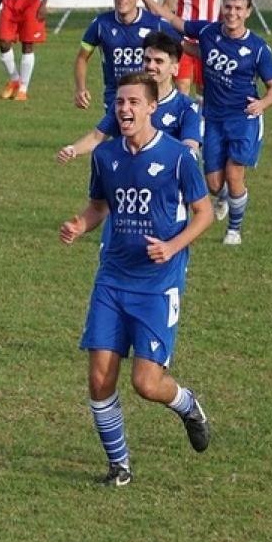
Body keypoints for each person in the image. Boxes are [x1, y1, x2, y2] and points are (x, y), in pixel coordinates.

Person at [59, 74, 213, 486]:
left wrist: (173, 246)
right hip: (111, 279)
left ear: (150, 109)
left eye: (132, 102)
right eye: (119, 102)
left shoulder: (179, 157)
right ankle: (119, 465)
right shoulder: (105, 156)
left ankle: (187, 404)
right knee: (98, 378)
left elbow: (205, 213)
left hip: (157, 285)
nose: (124, 109)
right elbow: (99, 207)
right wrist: (79, 224)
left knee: (146, 383)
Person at [141, 0, 272, 246]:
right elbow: (172, 20)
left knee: (234, 171)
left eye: (238, 8)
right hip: (213, 116)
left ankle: (234, 230)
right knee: (215, 184)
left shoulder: (258, 48)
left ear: (248, 12)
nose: (232, 13)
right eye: (228, 7)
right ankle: (225, 195)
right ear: (221, 7)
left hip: (243, 118)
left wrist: (262, 104)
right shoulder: (208, 31)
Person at [58, 31, 201, 163]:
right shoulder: (127, 101)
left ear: (175, 68)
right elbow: (98, 136)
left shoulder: (186, 107)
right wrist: (73, 149)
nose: (150, 66)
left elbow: (189, 146)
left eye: (158, 61)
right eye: (147, 59)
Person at [73, 0, 171, 113]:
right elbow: (82, 58)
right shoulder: (101, 24)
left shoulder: (155, 24)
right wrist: (80, 88)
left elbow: (179, 50)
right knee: (119, 134)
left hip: (147, 97)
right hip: (115, 98)